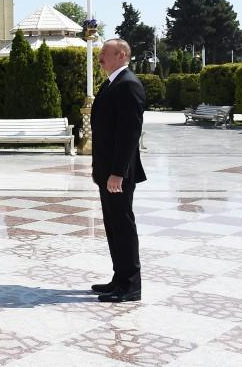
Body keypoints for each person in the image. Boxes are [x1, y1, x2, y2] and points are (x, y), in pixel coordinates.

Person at [91, 38, 147, 302]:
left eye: (105, 53)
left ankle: (131, 285)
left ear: (122, 55)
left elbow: (129, 134)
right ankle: (119, 279)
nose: (100, 57)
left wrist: (118, 172)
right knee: (113, 226)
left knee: (123, 226)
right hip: (107, 171)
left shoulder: (129, 85)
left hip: (118, 174)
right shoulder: (112, 83)